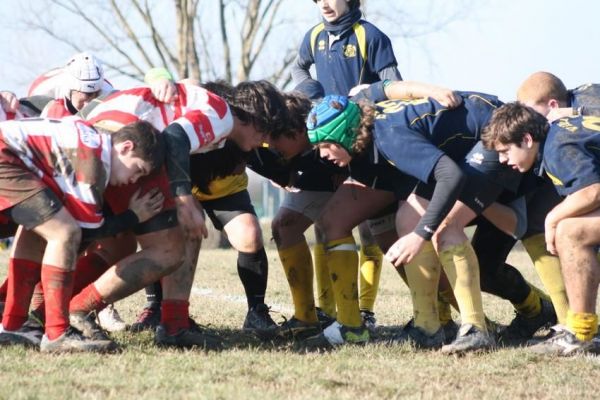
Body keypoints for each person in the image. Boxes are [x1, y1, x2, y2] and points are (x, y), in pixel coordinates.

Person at [63, 80, 287, 349]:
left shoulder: (208, 109)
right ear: (256, 119)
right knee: (170, 249)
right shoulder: (222, 115)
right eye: (266, 132)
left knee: (114, 246)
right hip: (121, 148)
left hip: (95, 139)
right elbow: (174, 136)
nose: (265, 141)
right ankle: (82, 311)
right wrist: (184, 200)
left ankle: (36, 316)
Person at [302, 92, 522, 353]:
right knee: (407, 219)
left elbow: (450, 176)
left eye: (327, 144)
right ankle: (428, 327)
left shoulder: (390, 135)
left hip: (497, 132)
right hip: (468, 146)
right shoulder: (367, 139)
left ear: (347, 132)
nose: (323, 154)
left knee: (444, 227)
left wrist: (421, 235)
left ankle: (476, 329)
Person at [0, 117, 164, 352]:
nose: (134, 180)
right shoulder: (93, 163)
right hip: (5, 157)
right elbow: (87, 232)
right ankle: (57, 332)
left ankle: (13, 325)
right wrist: (133, 216)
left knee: (37, 234)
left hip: (10, 154)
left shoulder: (92, 142)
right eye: (138, 170)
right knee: (65, 233)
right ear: (126, 147)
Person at [289, 0, 402, 328]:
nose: (324, 3)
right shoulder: (313, 37)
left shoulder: (370, 36)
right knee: (328, 224)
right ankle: (326, 308)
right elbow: (300, 67)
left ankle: (363, 309)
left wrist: (367, 98)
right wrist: (309, 92)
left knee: (369, 232)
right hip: (327, 143)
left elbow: (392, 83)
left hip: (361, 145)